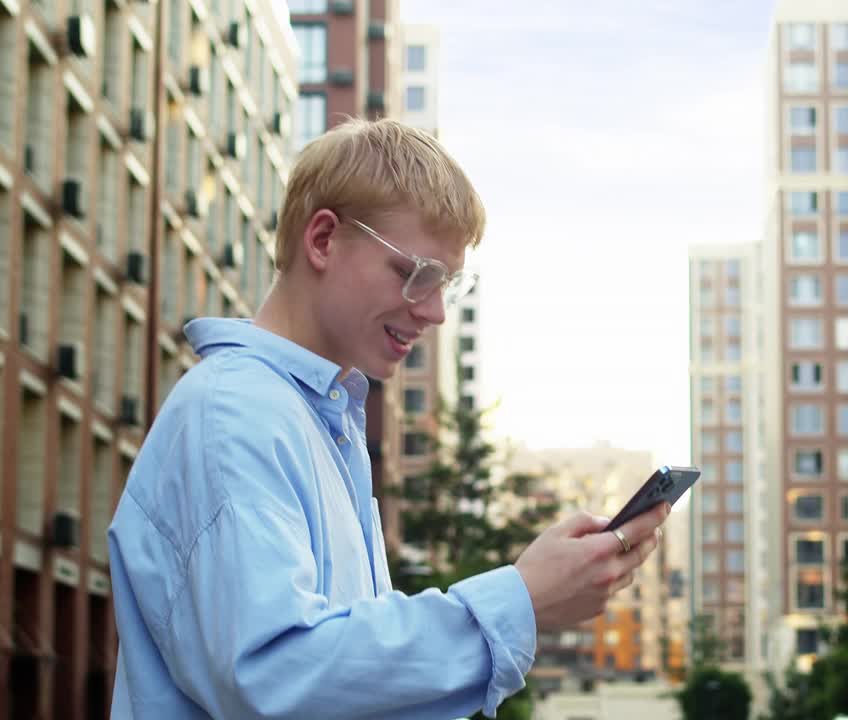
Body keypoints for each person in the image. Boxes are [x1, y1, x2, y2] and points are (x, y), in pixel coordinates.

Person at [106, 118, 670, 719]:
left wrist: (526, 598)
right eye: (415, 275)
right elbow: (271, 675)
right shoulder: (234, 414)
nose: (433, 313)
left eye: (447, 285)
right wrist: (522, 599)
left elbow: (342, 690)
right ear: (322, 240)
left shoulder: (319, 422)